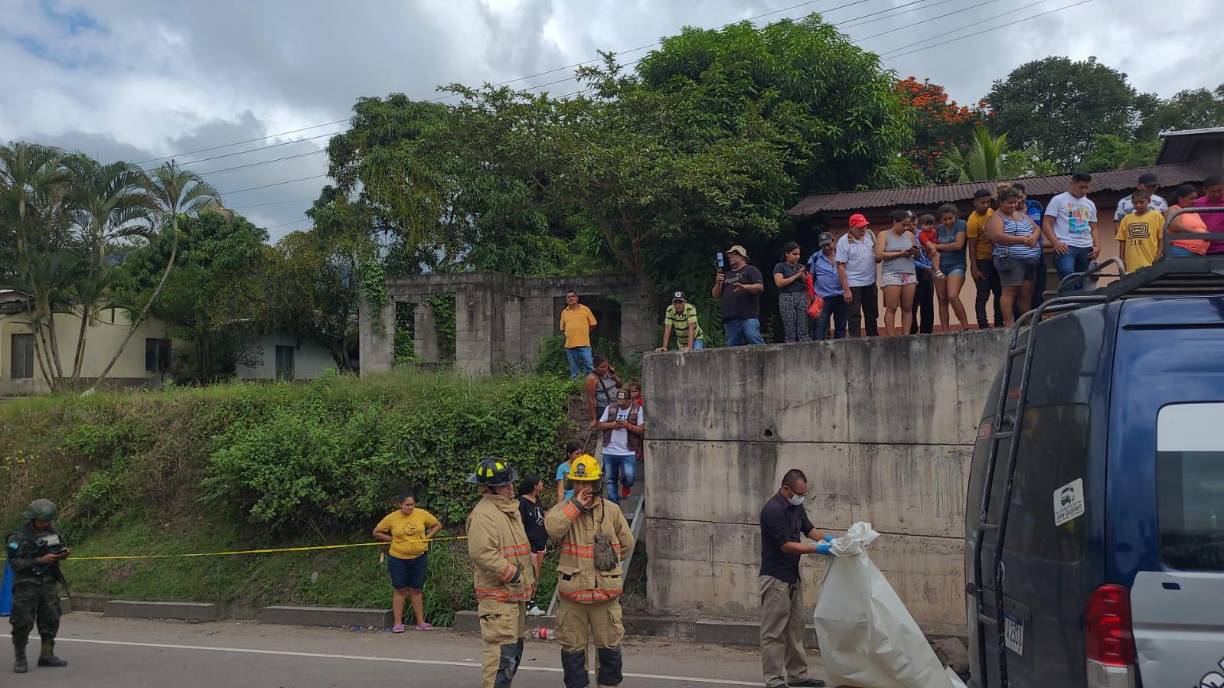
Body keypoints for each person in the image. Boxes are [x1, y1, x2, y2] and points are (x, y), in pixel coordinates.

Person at [544, 454, 634, 688]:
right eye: (578, 482)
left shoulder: (611, 511)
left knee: (609, 650)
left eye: (587, 482)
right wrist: (574, 507)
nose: (582, 487)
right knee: (573, 652)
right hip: (573, 597)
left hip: (604, 595)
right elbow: (552, 528)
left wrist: (608, 565)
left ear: (597, 483)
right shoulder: (563, 510)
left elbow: (627, 544)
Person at [467, 457, 536, 688]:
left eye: (510, 483)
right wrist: (514, 575)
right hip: (498, 600)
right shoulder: (483, 515)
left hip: (515, 597)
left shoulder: (508, 509)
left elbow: (519, 551)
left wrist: (527, 580)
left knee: (511, 656)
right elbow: (482, 553)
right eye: (505, 485)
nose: (511, 487)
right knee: (500, 660)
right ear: (489, 488)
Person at [759, 470, 831, 688]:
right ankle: (773, 678)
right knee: (773, 631)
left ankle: (798, 675)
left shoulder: (796, 506)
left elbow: (809, 530)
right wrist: (817, 549)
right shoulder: (773, 510)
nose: (801, 497)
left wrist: (833, 541)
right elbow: (786, 546)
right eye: (799, 493)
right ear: (786, 489)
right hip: (775, 578)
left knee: (795, 629)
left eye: (804, 493)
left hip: (792, 576)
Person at [7, 499, 69, 674]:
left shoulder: (52, 533)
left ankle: (47, 654)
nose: (45, 524)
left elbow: (57, 548)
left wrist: (62, 554)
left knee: (51, 618)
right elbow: (15, 563)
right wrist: (40, 560)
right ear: (33, 518)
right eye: (42, 521)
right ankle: (20, 658)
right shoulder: (17, 537)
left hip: (48, 584)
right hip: (26, 585)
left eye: (48, 520)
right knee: (22, 622)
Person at [373, 492, 443, 632]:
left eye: (412, 504)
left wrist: (427, 537)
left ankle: (421, 622)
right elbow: (377, 532)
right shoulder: (392, 517)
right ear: (400, 504)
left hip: (419, 557)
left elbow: (437, 525)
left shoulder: (421, 514)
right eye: (407, 505)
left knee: (416, 589)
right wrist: (392, 540)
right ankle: (398, 623)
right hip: (398, 558)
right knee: (401, 589)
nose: (410, 507)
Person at [989, 187, 1042, 328]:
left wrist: (1034, 237)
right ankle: (1009, 324)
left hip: (1030, 261)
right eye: (1010, 203)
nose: (1013, 205)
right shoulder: (996, 217)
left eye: (1015, 202)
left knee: (1026, 293)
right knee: (1009, 291)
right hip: (1011, 259)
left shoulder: (1021, 215)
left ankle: (1027, 324)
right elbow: (997, 237)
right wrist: (1022, 239)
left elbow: (1036, 228)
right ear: (1001, 202)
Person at [1043, 172, 1099, 292]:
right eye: (1081, 187)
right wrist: (1055, 243)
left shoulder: (1090, 204)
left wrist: (1097, 246)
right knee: (1067, 274)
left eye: (1086, 187)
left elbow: (1094, 227)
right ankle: (1068, 301)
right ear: (1072, 183)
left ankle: (1079, 302)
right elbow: (1046, 223)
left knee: (1083, 280)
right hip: (1066, 246)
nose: (1084, 191)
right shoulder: (1058, 200)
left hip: (1086, 247)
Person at [597, 389, 643, 504]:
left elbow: (641, 429)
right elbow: (600, 425)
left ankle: (625, 485)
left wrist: (628, 426)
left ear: (629, 400)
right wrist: (612, 425)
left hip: (628, 451)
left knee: (629, 477)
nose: (620, 404)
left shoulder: (637, 409)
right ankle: (615, 506)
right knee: (610, 480)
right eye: (618, 401)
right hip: (609, 450)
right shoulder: (610, 408)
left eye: (623, 402)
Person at [835, 213, 879, 337]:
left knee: (871, 313)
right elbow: (840, 266)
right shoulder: (843, 241)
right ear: (851, 227)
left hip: (870, 282)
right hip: (853, 283)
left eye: (864, 226)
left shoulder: (870, 235)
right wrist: (846, 290)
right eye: (859, 227)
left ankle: (874, 339)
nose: (863, 229)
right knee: (854, 314)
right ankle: (855, 341)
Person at [713, 245, 766, 346]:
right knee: (732, 345)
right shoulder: (726, 274)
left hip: (748, 315)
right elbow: (716, 295)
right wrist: (718, 284)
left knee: (753, 336)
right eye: (730, 256)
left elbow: (760, 287)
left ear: (743, 257)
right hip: (730, 317)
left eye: (734, 255)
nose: (731, 257)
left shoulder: (751, 270)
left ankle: (766, 355)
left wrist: (745, 287)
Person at [876, 209, 918, 337]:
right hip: (891, 273)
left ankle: (906, 335)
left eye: (908, 225)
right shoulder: (884, 234)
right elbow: (878, 256)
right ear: (895, 222)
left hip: (909, 273)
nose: (906, 228)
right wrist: (900, 253)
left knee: (908, 307)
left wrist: (915, 252)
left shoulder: (910, 235)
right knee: (892, 307)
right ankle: (891, 336)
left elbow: (917, 256)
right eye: (903, 225)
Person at [966, 189, 1002, 328]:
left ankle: (999, 322)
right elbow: (971, 247)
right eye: (982, 203)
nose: (986, 205)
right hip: (982, 261)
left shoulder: (992, 212)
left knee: (999, 292)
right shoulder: (972, 221)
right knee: (983, 294)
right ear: (975, 203)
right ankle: (983, 324)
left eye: (988, 202)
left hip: (996, 258)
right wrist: (974, 268)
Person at [931, 204, 969, 331]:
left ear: (955, 216)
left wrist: (937, 246)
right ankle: (945, 330)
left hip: (956, 265)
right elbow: (930, 246)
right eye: (944, 219)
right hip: (939, 266)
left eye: (950, 218)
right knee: (942, 299)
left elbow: (958, 245)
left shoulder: (961, 225)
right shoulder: (938, 229)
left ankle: (965, 326)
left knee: (953, 295)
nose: (948, 222)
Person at [517, 474, 548, 617]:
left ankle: (533, 600)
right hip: (530, 543)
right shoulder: (522, 502)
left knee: (537, 574)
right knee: (531, 573)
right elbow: (520, 524)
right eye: (540, 482)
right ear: (534, 485)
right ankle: (529, 603)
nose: (542, 484)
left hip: (541, 541)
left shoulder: (537, 500)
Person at [1012, 184, 1045, 313]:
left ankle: (1037, 320)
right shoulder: (1008, 211)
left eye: (1021, 197)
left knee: (1038, 290)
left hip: (1038, 254)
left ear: (1025, 195)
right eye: (1015, 197)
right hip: (1018, 257)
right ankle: (1020, 321)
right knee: (1020, 293)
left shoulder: (1036, 206)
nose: (1019, 200)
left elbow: (1041, 227)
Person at [807, 232, 846, 339]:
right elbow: (809, 278)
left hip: (841, 296)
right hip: (822, 299)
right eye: (823, 245)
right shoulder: (814, 258)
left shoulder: (843, 254)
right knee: (819, 328)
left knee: (841, 328)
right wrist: (811, 296)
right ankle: (818, 349)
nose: (827, 247)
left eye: (828, 244)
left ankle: (839, 349)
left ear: (834, 241)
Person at [1115, 189, 1165, 271]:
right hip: (1131, 261)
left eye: (1141, 202)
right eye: (1135, 203)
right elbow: (1122, 240)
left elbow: (1161, 238)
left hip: (1151, 259)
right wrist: (1122, 258)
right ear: (1132, 203)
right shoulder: (1127, 218)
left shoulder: (1157, 216)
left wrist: (1158, 255)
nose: (1138, 205)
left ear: (1149, 201)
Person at [774, 241, 810, 343]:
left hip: (801, 295)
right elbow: (779, 283)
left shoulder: (800, 266)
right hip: (786, 296)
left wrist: (803, 276)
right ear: (787, 254)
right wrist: (796, 276)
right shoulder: (780, 266)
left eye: (798, 254)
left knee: (803, 325)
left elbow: (807, 283)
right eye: (794, 254)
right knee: (789, 326)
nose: (797, 257)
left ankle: (805, 345)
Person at [909, 214, 937, 335]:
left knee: (927, 302)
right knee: (911, 303)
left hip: (927, 272)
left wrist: (931, 265)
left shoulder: (924, 233)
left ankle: (927, 331)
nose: (912, 225)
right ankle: (912, 329)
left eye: (914, 222)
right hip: (911, 271)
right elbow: (910, 258)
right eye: (909, 222)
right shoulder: (903, 236)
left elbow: (933, 249)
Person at [560, 290, 598, 378]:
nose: (571, 298)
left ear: (577, 298)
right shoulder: (564, 312)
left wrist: (584, 332)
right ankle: (576, 384)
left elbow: (593, 324)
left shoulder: (585, 309)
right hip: (570, 345)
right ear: (566, 300)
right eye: (568, 297)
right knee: (574, 369)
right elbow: (562, 328)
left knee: (589, 365)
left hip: (584, 344)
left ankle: (591, 382)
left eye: (573, 296)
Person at [1166, 184, 1210, 258]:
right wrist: (1199, 234)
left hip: (1198, 254)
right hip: (1182, 251)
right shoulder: (1174, 209)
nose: (1194, 201)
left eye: (1195, 198)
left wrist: (1207, 234)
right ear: (1180, 199)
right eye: (1191, 198)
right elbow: (1175, 226)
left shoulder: (1194, 212)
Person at [584, 355, 621, 427]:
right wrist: (594, 418)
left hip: (616, 404)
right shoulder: (592, 378)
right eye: (602, 367)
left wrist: (614, 376)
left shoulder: (609, 373)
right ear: (595, 367)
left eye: (606, 366)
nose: (605, 369)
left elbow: (620, 385)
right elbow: (590, 399)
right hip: (604, 408)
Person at [1193, 174, 1224, 254]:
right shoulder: (1197, 204)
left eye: (1220, 190)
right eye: (1212, 192)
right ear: (1205, 190)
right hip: (1201, 249)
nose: (1217, 194)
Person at [556, 441, 585, 505]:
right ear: (569, 454)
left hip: (582, 500)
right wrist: (558, 507)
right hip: (568, 502)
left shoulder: (583, 466)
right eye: (577, 454)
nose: (580, 456)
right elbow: (560, 491)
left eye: (581, 453)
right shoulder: (562, 468)